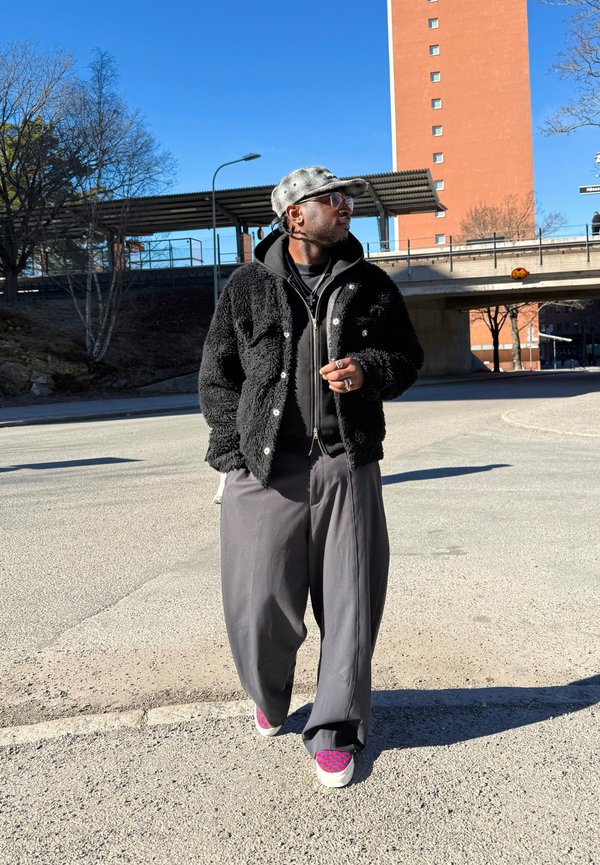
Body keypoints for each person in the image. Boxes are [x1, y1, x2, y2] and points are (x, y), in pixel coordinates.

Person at [198, 166, 424, 788]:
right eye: (333, 199)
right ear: (295, 215)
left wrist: (369, 371)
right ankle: (268, 696)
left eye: (346, 198)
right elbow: (217, 376)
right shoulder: (245, 287)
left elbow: (407, 358)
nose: (346, 207)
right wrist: (232, 452)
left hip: (345, 461)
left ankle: (337, 726)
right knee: (258, 603)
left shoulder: (371, 284)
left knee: (351, 598)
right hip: (264, 467)